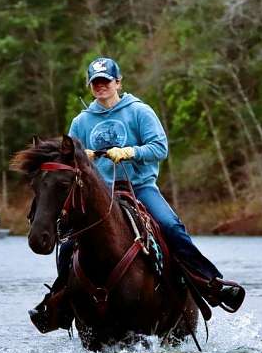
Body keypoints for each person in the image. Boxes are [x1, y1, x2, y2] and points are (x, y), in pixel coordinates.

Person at [29, 56, 244, 333]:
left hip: (139, 187)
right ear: (90, 86)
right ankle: (59, 302)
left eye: (106, 81)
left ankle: (209, 284)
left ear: (118, 82)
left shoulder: (139, 111)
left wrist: (132, 152)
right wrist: (85, 158)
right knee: (69, 243)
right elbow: (69, 163)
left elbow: (160, 148)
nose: (101, 87)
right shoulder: (81, 121)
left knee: (171, 227)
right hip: (98, 194)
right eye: (95, 83)